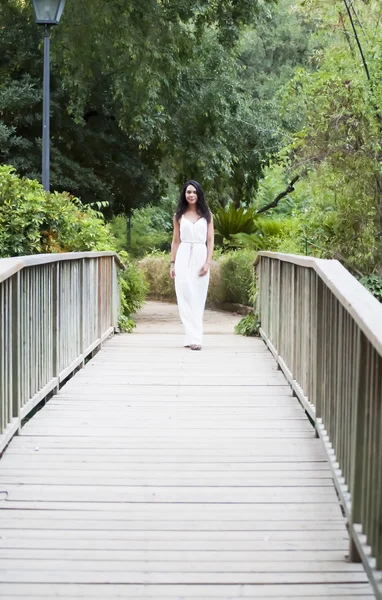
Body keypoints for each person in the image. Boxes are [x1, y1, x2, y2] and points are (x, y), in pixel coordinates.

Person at [170, 180, 214, 351]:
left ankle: (195, 337)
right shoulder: (178, 216)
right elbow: (175, 241)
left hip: (200, 255)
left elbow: (210, 241)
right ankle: (191, 336)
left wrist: (208, 262)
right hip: (183, 255)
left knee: (198, 296)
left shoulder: (207, 215)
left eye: (194, 192)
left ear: (199, 194)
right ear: (184, 194)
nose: (191, 195)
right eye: (188, 192)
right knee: (184, 295)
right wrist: (172, 264)